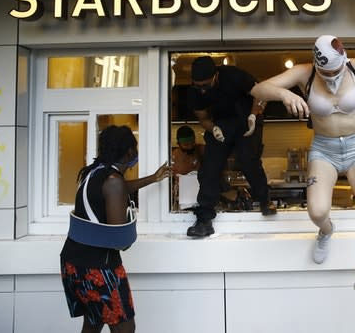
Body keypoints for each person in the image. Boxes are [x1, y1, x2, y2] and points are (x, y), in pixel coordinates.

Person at [251, 35, 355, 320]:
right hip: (324, 149)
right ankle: (327, 230)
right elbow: (258, 89)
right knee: (317, 212)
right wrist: (285, 94)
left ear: (344, 61)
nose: (330, 78)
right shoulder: (304, 72)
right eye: (325, 73)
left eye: (335, 72)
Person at [60, 125, 171, 333]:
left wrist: (153, 178)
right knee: (125, 327)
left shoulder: (93, 173)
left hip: (73, 264)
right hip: (99, 268)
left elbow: (118, 188)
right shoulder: (113, 181)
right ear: (129, 151)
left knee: (93, 321)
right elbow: (120, 241)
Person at [186, 56, 276, 238]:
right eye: (198, 86)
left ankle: (265, 199)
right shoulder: (195, 92)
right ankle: (204, 218)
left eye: (205, 86)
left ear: (215, 76)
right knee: (210, 165)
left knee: (247, 158)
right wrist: (214, 129)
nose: (202, 91)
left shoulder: (234, 76)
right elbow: (203, 118)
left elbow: (260, 95)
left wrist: (253, 115)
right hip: (221, 123)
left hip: (247, 118)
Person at [171, 125, 204, 210]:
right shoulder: (173, 156)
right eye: (186, 144)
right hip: (182, 200)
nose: (190, 146)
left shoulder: (201, 150)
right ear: (178, 143)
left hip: (202, 198)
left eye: (192, 143)